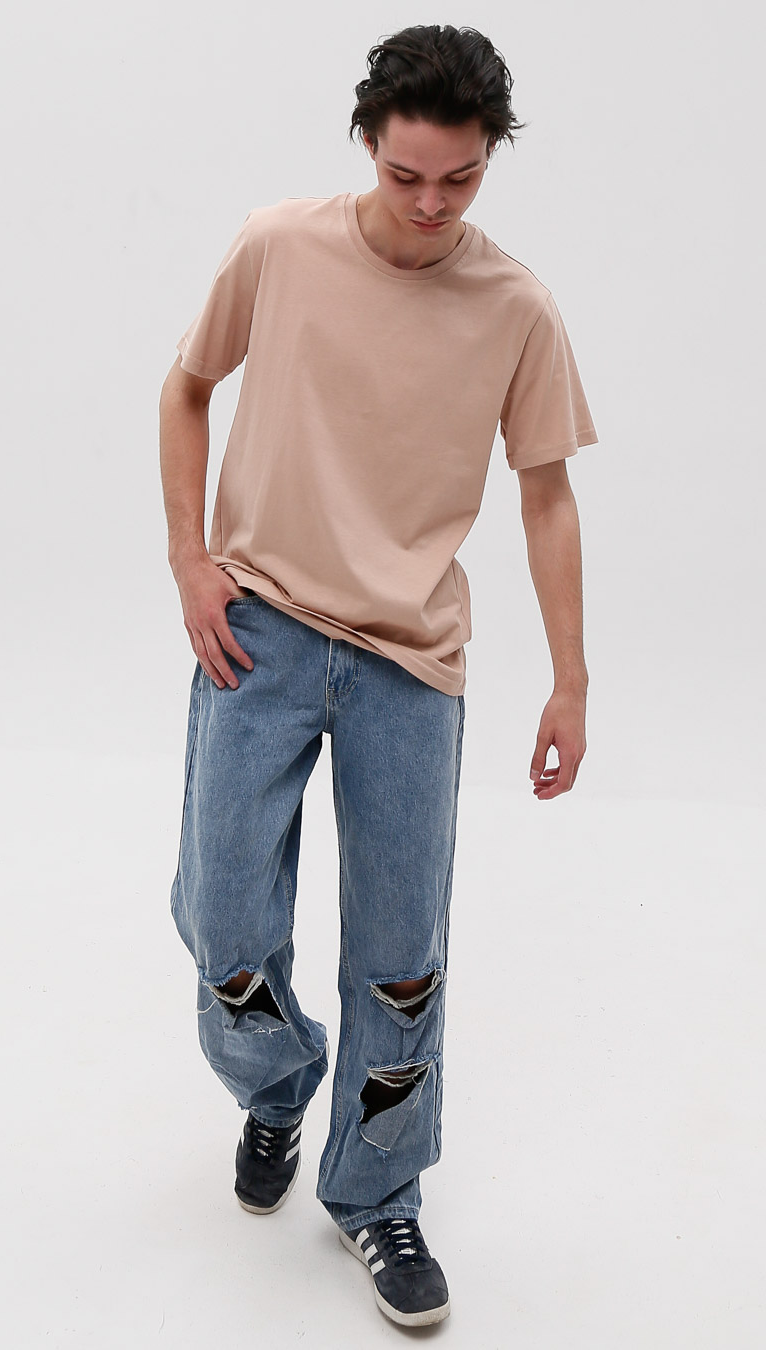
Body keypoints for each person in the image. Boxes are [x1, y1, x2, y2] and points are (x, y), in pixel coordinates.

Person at [158, 22, 597, 1329]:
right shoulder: (279, 246)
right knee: (221, 917)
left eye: (460, 178)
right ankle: (279, 1082)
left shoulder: (515, 307)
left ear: (489, 159)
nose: (429, 204)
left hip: (411, 662)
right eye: (407, 174)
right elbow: (186, 386)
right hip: (260, 630)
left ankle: (378, 1190)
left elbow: (548, 496)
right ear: (367, 141)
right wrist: (190, 561)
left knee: (403, 960)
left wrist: (571, 681)